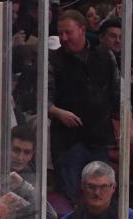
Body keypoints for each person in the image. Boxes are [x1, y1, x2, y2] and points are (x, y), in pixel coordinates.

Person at [48, 10, 119, 203]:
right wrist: (57, 112)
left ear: (82, 30)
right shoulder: (52, 60)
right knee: (70, 196)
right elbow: (40, 99)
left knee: (102, 195)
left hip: (99, 137)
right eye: (60, 33)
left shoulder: (105, 55)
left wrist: (125, 126)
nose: (63, 37)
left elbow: (118, 93)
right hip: (68, 141)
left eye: (68, 32)